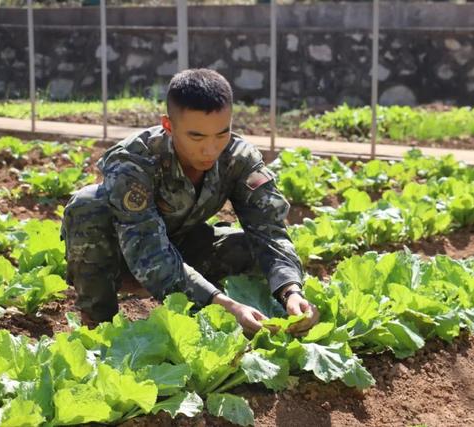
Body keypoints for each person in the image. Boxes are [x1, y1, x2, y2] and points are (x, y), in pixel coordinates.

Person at [61, 68, 319, 335]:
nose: (210, 150)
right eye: (196, 137)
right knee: (87, 205)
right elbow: (148, 253)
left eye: (222, 134)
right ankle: (98, 325)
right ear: (168, 126)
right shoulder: (134, 161)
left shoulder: (238, 158)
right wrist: (222, 303)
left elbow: (270, 232)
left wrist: (290, 290)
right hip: (124, 259)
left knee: (251, 249)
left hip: (183, 248)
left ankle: (230, 326)